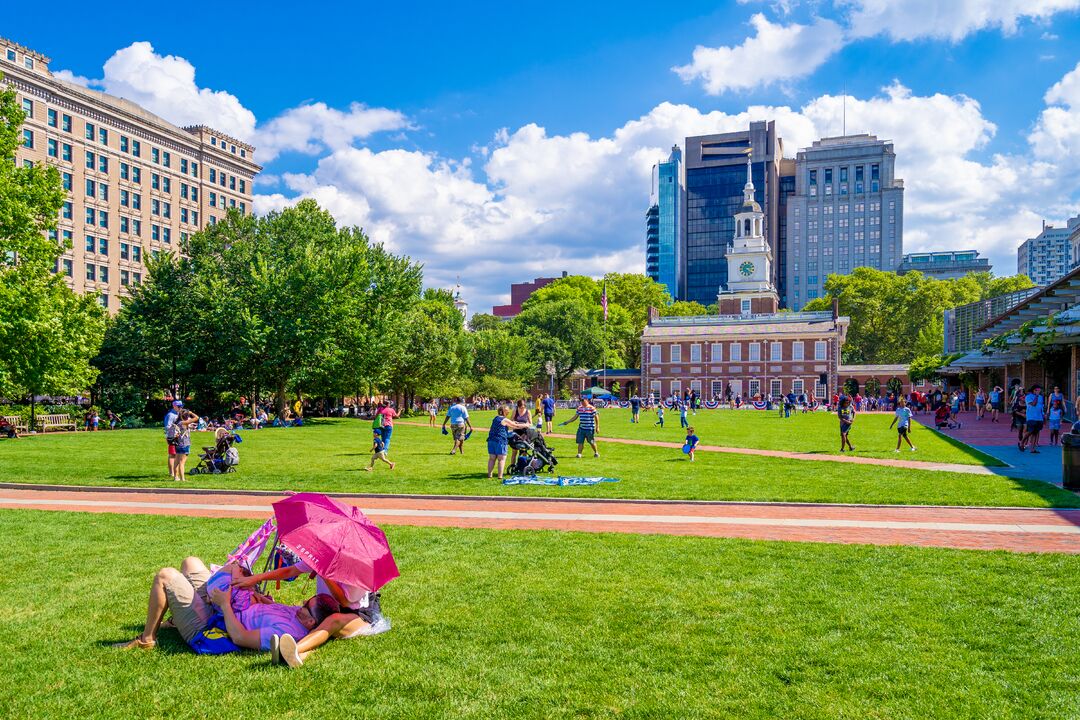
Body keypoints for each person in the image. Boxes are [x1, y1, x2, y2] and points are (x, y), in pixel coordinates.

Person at [113, 557, 337, 653]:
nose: (299, 605)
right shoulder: (299, 615)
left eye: (305, 607)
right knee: (191, 562)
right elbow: (269, 609)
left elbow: (240, 638)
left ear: (310, 622)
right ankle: (175, 619)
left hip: (211, 626)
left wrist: (225, 604)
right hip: (223, 604)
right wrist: (262, 599)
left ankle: (147, 640)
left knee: (166, 576)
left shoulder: (287, 634)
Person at [487, 405, 531, 480]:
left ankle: (489, 475)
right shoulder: (505, 420)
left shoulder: (495, 418)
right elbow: (515, 426)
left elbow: (507, 424)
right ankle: (500, 476)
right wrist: (526, 425)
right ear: (504, 411)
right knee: (501, 459)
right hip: (500, 441)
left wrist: (513, 422)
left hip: (491, 440)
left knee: (492, 458)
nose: (508, 412)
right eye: (507, 410)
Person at [168, 409, 201, 482]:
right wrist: (191, 412)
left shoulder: (177, 422)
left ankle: (176, 477)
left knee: (176, 461)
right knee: (182, 462)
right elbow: (197, 418)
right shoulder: (184, 422)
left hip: (177, 443)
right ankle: (182, 479)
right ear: (186, 416)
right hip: (185, 444)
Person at [1019, 384, 1045, 453]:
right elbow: (1033, 404)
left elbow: (1041, 407)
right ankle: (1022, 442)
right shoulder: (1028, 397)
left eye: (1040, 390)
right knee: (1030, 431)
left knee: (1035, 433)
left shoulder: (1041, 397)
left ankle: (1032, 449)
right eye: (1038, 390)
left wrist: (1043, 415)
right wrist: (1036, 396)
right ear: (1034, 390)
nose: (1040, 391)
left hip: (1039, 417)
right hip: (1031, 417)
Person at [509, 400, 532, 468]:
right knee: (514, 451)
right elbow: (510, 421)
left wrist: (524, 425)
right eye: (520, 407)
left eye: (523, 407)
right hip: (516, 432)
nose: (522, 409)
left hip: (525, 433)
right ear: (518, 406)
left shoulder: (528, 412)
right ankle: (512, 466)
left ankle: (523, 466)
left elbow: (531, 424)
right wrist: (515, 423)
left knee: (524, 450)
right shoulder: (515, 411)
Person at [164, 400, 183, 477]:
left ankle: (174, 472)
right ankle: (171, 472)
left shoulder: (178, 413)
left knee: (176, 454)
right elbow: (168, 427)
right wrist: (175, 433)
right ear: (174, 406)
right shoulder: (171, 415)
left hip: (177, 436)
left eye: (181, 406)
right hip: (172, 437)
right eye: (179, 406)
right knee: (172, 455)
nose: (180, 408)